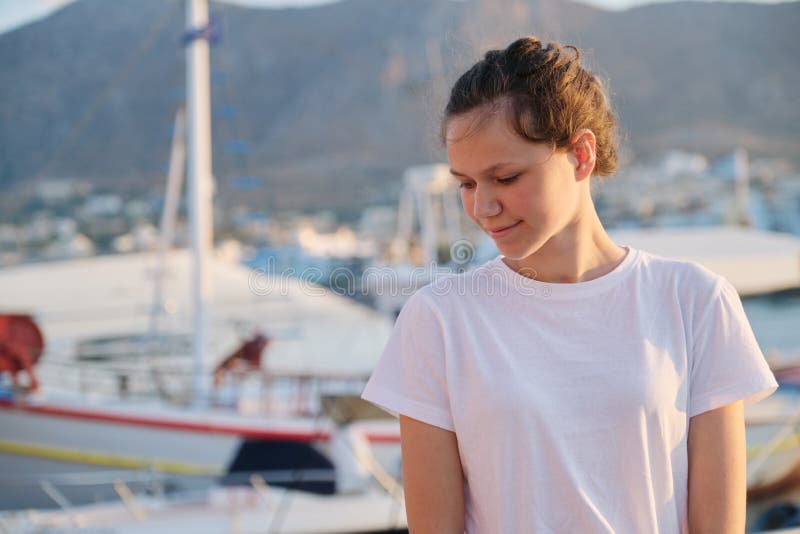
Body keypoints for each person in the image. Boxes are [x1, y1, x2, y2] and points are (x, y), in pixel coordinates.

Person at [361, 36, 778, 533]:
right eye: (467, 183)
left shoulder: (695, 302)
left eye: (506, 177)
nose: (482, 207)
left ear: (580, 155)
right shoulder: (439, 320)